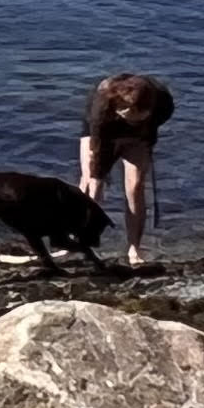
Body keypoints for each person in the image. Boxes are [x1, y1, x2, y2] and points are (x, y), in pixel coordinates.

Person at [81, 71, 175, 269]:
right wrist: (98, 176)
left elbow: (157, 125)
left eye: (137, 116)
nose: (131, 118)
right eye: (128, 114)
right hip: (103, 131)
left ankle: (134, 248)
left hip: (141, 134)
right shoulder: (101, 105)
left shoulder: (162, 101)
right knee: (91, 184)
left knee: (135, 187)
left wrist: (141, 128)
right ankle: (77, 238)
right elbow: (96, 149)